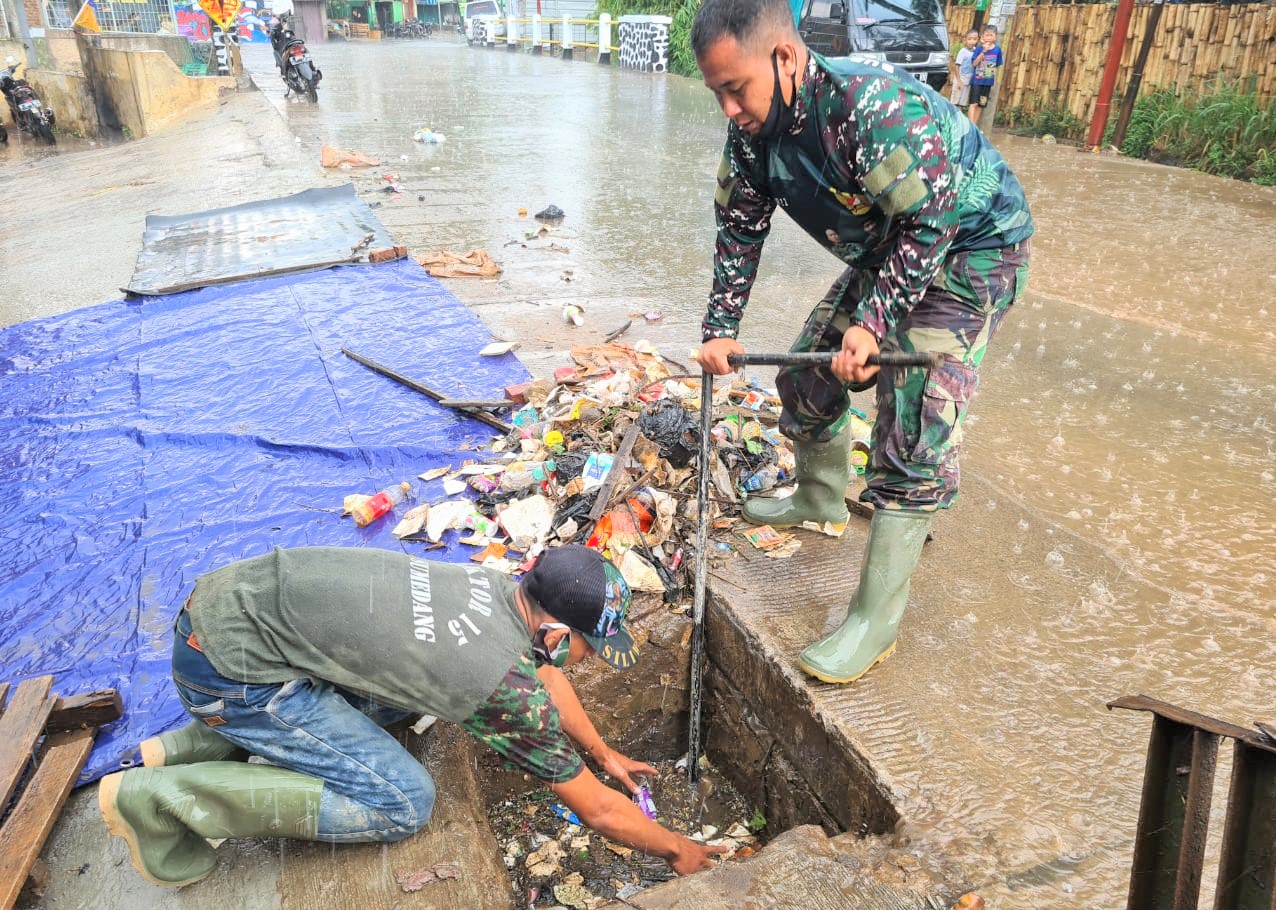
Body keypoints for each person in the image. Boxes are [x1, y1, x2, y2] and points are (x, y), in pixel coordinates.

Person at [691, 0, 1033, 685]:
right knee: (807, 376)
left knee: (913, 426)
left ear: (785, 58)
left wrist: (873, 325)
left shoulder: (869, 109)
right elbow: (740, 228)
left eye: (737, 88)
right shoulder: (754, 135)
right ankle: (819, 499)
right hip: (893, 247)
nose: (729, 108)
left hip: (971, 247)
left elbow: (929, 223)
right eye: (716, 93)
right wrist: (719, 330)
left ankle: (876, 620)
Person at [98, 545, 725, 887]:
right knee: (404, 801)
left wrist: (603, 752)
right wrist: (677, 851)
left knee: (412, 693)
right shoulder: (497, 683)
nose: (591, 660)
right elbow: (596, 810)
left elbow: (549, 676)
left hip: (233, 611)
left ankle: (181, 747)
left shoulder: (497, 586)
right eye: (592, 647)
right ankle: (160, 798)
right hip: (229, 675)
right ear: (558, 631)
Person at [968, 25, 1004, 127]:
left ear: (995, 37)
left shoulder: (997, 50)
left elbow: (996, 66)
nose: (988, 37)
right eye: (986, 35)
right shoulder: (979, 49)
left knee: (981, 104)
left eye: (991, 35)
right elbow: (974, 64)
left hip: (987, 82)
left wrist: (995, 81)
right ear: (983, 37)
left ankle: (974, 126)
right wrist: (983, 51)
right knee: (973, 103)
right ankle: (971, 126)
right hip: (977, 81)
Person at [951, 29, 979, 112]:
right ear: (965, 39)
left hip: (968, 81)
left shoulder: (976, 51)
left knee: (962, 103)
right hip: (960, 80)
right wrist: (959, 81)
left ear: (977, 40)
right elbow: (957, 66)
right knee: (955, 102)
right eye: (969, 39)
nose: (972, 41)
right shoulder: (962, 52)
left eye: (974, 39)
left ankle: (959, 121)